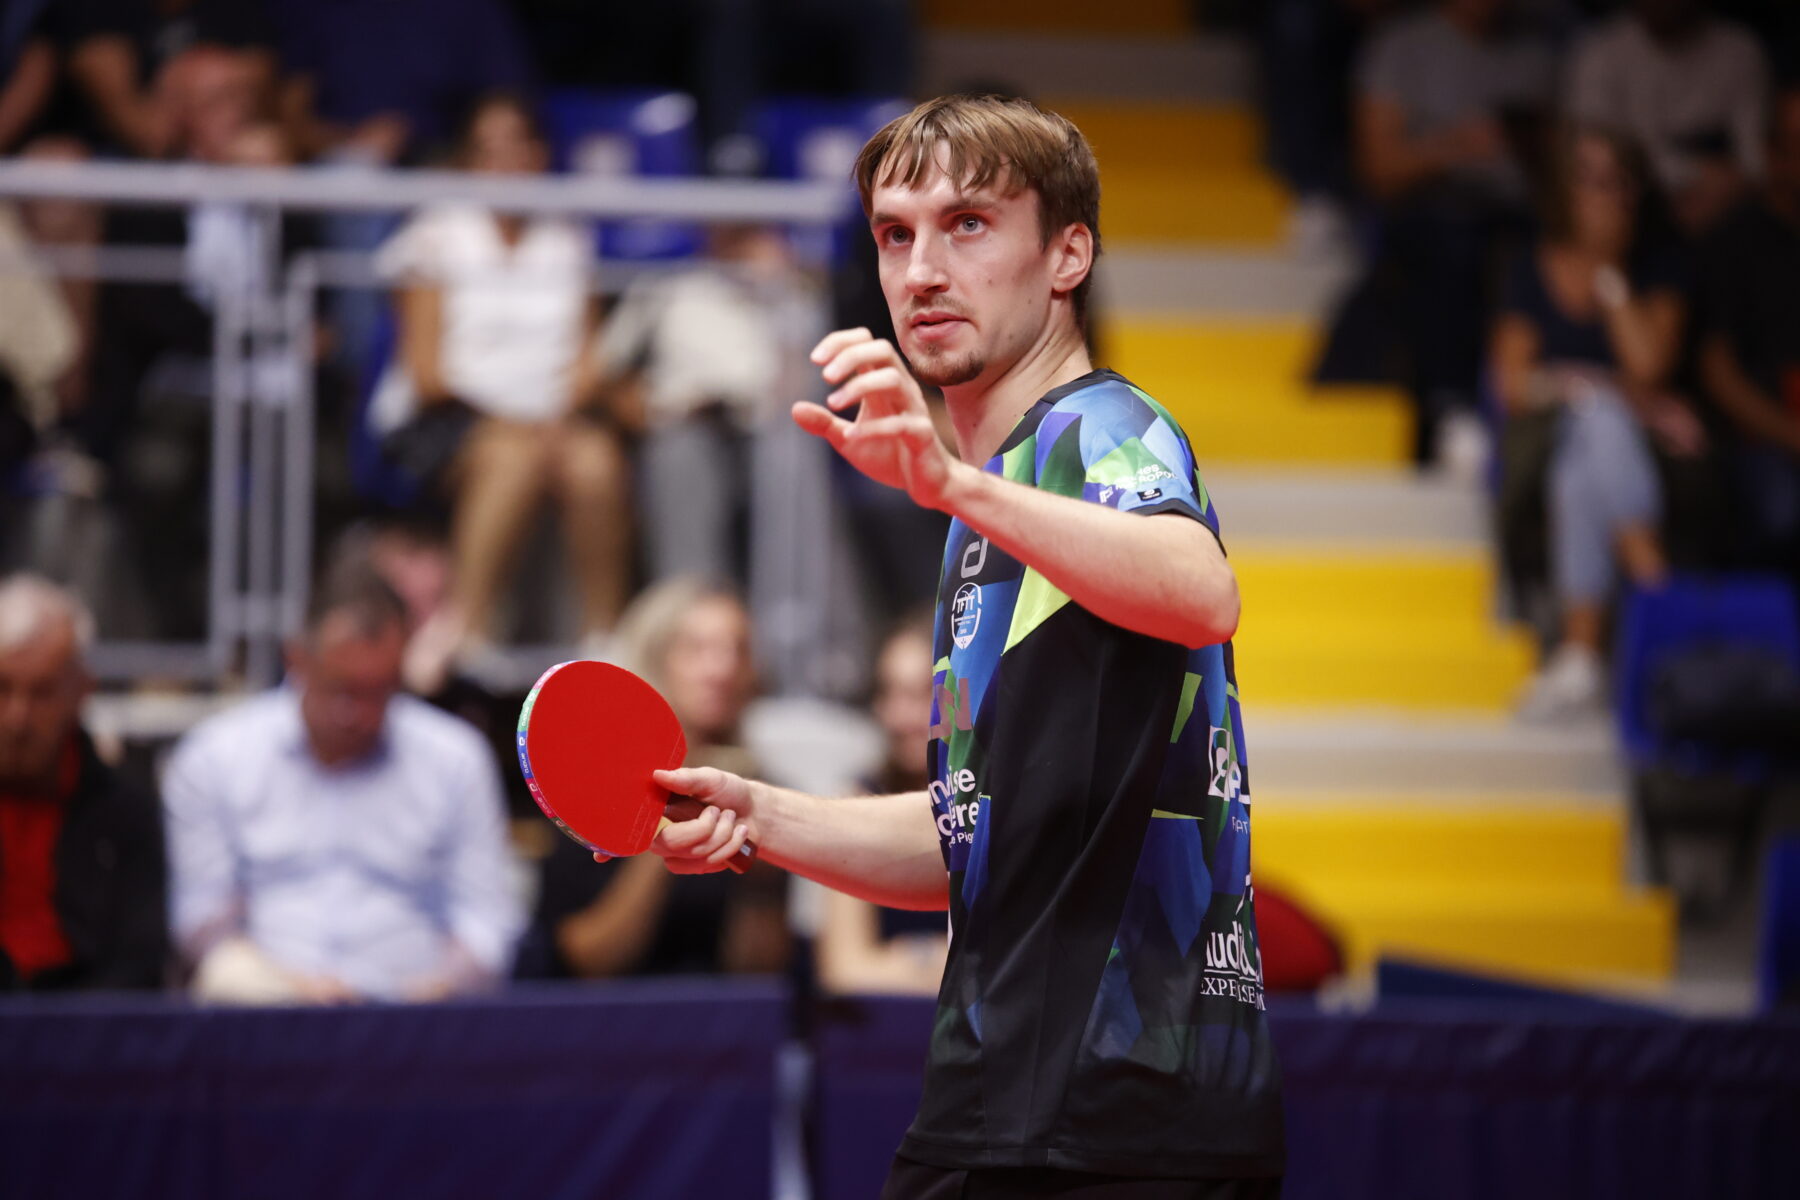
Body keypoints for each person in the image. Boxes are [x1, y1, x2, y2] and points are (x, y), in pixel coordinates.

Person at [636, 95, 1282, 1196]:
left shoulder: (1098, 427)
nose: (923, 271)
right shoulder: (988, 514)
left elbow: (1200, 589)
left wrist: (949, 483)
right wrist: (760, 815)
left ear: (1068, 254)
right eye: (896, 235)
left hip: (1121, 1110)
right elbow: (968, 833)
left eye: (969, 225)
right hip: (1009, 1096)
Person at [162, 560, 524, 1003]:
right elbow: (201, 926)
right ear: (296, 659)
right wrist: (289, 990)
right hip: (260, 1016)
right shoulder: (215, 758)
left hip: (419, 1019)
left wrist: (432, 994)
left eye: (379, 690)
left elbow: (487, 924)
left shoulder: (456, 759)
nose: (357, 714)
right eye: (341, 689)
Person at [374, 92, 629, 667]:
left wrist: (558, 414)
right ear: (469, 161)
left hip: (552, 418)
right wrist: (521, 422)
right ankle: (467, 638)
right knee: (513, 458)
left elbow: (587, 359)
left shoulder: (567, 237)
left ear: (541, 154)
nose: (507, 161)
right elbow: (427, 373)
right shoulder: (434, 234)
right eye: (489, 150)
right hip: (447, 420)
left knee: (596, 462)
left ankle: (605, 646)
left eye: (519, 145)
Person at [1490, 126, 1699, 720]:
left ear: (1636, 192)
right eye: (1589, 179)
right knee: (1596, 422)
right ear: (1564, 187)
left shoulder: (1659, 266)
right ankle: (1655, 588)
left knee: (1588, 456)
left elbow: (1648, 364)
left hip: (1639, 456)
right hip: (1544, 444)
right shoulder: (1531, 268)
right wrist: (1598, 390)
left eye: (1617, 181)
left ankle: (1581, 655)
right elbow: (1513, 385)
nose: (1604, 195)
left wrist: (1610, 275)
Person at [527, 578, 789, 980]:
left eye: (738, 650)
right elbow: (588, 959)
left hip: (722, 1010)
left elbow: (758, 972)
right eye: (697, 649)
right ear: (655, 657)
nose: (723, 669)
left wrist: (760, 882)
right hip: (611, 1010)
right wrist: (666, 821)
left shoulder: (759, 790)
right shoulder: (595, 785)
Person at [1350, 0, 1557, 464]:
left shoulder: (1538, 52)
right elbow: (1377, 170)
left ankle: (1534, 420)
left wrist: (1532, 146)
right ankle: (1451, 406)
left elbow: (1566, 166)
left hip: (1523, 214)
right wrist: (1455, 147)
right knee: (1450, 242)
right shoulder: (1404, 45)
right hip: (1433, 213)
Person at [0, 574, 167, 991]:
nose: (17, 718)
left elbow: (141, 963)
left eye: (41, 693)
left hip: (89, 1024)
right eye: (2, 689)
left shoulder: (127, 813)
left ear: (82, 691)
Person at [816, 611, 948, 996]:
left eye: (921, 694)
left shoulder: (988, 801)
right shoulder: (855, 801)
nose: (901, 716)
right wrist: (936, 958)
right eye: (890, 694)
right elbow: (844, 970)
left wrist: (898, 958)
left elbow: (1009, 971)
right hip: (881, 1025)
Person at [1699, 84, 1800, 572]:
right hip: (1759, 437)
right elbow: (1718, 373)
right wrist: (1793, 435)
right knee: (1782, 508)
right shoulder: (1733, 242)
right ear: (1772, 155)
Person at [1566, 0, 1770, 236]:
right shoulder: (1600, 53)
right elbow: (1589, 156)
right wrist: (1694, 174)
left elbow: (1756, 161)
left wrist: (1726, 190)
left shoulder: (1739, 50)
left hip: (1728, 210)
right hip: (1634, 209)